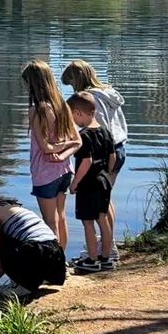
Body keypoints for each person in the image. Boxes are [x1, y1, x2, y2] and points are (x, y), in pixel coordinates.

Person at [61, 60, 128, 251]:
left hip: (104, 152)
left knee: (101, 203)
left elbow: (97, 131)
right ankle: (108, 243)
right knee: (106, 199)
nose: (72, 89)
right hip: (119, 148)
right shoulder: (108, 93)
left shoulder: (91, 99)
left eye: (72, 84)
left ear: (77, 80)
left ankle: (107, 247)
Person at [0, 183, 67, 295]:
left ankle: (23, 284)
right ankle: (34, 279)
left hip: (37, 255)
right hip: (56, 260)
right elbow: (6, 255)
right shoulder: (14, 207)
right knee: (14, 246)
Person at [21, 60, 81, 249]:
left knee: (49, 222)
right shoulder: (62, 104)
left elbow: (45, 147)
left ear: (33, 84)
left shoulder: (37, 110)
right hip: (64, 170)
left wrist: (58, 149)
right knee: (61, 218)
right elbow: (77, 141)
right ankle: (62, 260)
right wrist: (64, 153)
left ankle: (53, 265)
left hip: (45, 173)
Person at [67, 91, 117, 272]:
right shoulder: (105, 131)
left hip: (88, 184)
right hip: (104, 181)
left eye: (72, 117)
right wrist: (108, 174)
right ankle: (106, 258)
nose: (73, 122)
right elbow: (113, 157)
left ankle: (92, 259)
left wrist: (74, 184)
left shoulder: (84, 136)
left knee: (88, 222)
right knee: (102, 219)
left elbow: (86, 162)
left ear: (78, 113)